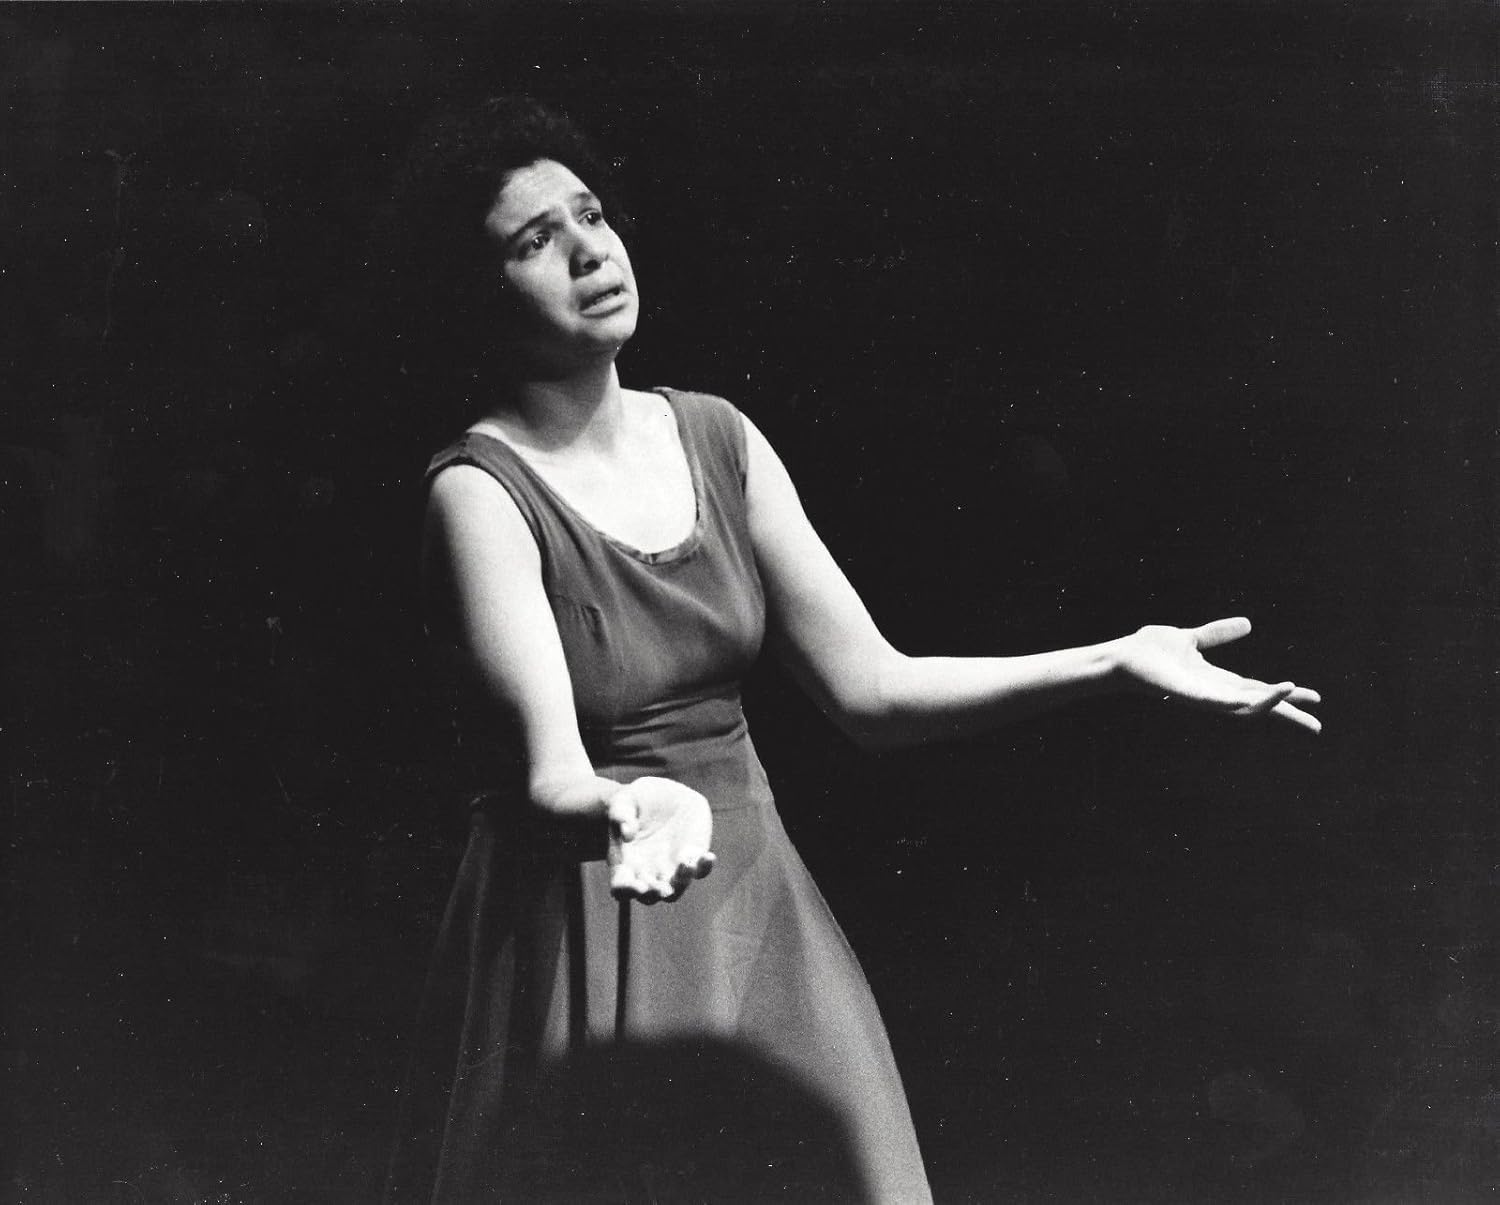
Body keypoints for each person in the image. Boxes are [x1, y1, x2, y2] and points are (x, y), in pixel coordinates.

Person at [381, 97, 1320, 1204]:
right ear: (477, 295)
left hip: (752, 901)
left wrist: (1116, 657)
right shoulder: (481, 493)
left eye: (592, 215)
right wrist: (639, 804)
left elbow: (873, 688)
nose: (590, 251)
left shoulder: (717, 435)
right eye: (536, 241)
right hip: (592, 908)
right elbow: (553, 777)